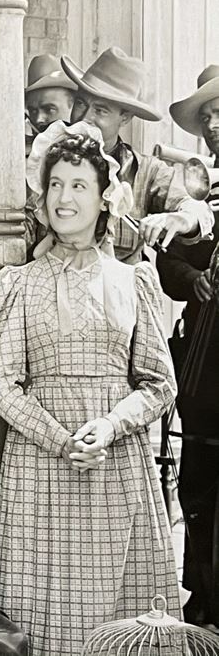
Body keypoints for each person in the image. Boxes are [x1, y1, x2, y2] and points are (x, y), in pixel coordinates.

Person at [0, 121, 181, 654]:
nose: (63, 198)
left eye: (78, 185)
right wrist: (59, 438)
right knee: (44, 613)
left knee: (120, 615)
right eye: (55, 185)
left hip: (117, 467)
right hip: (41, 469)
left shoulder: (133, 281)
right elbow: (0, 383)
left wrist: (109, 426)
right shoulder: (18, 284)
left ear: (103, 198)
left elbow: (160, 384)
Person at [156, 63, 219, 632]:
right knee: (198, 476)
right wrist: (190, 278)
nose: (215, 124)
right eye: (208, 117)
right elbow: (170, 258)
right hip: (204, 357)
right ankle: (201, 590)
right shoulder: (198, 187)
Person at [61, 46, 213, 261]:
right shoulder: (45, 159)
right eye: (80, 103)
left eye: (101, 110)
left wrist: (181, 219)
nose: (84, 118)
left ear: (125, 118)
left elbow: (198, 211)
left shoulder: (148, 171)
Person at [0, 53, 77, 321]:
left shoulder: (85, 164)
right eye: (32, 111)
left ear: (74, 107)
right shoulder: (24, 159)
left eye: (50, 109)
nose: (39, 120)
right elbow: (6, 237)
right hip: (24, 303)